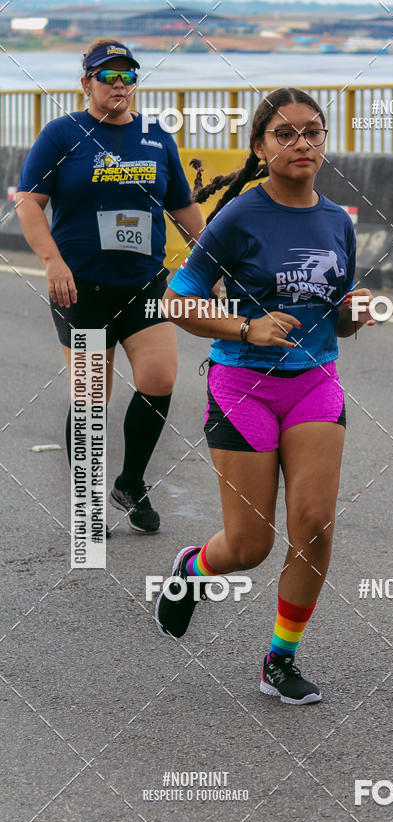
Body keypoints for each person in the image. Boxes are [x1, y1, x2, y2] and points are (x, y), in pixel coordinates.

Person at [155, 87, 374, 704]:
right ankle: (192, 569)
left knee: (315, 525)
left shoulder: (337, 220)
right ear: (260, 147)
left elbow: (336, 310)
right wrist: (245, 327)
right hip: (242, 386)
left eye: (314, 131)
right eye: (286, 133)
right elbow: (178, 302)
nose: (302, 143)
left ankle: (279, 660)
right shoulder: (238, 218)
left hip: (315, 383)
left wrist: (354, 314)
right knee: (249, 548)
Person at [15, 38, 205, 533]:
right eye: (108, 75)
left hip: (143, 284)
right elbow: (29, 205)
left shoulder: (157, 136)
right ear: (87, 83)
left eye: (128, 75)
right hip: (80, 288)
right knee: (91, 395)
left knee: (160, 380)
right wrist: (53, 263)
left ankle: (130, 481)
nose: (120, 84)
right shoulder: (62, 135)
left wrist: (215, 261)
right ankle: (87, 499)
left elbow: (183, 209)